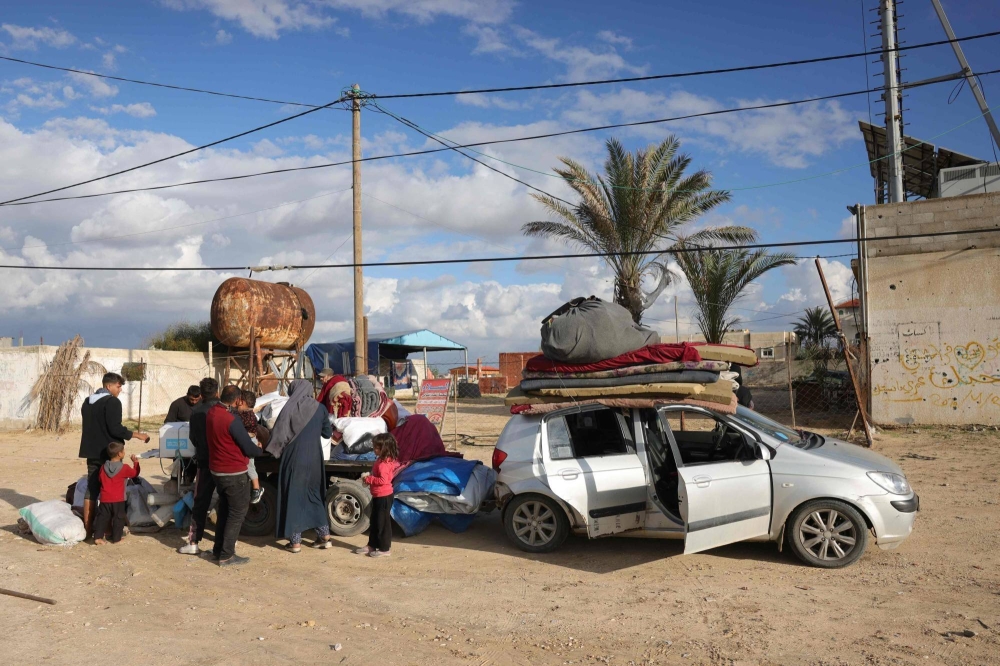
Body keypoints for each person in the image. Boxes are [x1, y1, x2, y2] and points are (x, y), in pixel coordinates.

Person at [79, 372, 150, 538]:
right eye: (118, 387)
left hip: (91, 451)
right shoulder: (112, 402)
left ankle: (88, 530)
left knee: (92, 489)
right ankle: (111, 530)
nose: (119, 390)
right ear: (108, 386)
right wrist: (138, 435)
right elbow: (115, 429)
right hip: (110, 453)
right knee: (112, 490)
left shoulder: (87, 402)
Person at [268, 379, 333, 554]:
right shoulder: (320, 408)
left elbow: (278, 435)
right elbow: (327, 433)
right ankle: (324, 536)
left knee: (293, 496)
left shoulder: (288, 408)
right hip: (314, 459)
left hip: (293, 458)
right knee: (314, 495)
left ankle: (295, 542)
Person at [206, 384, 263, 566]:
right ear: (238, 400)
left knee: (224, 511)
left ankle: (218, 550)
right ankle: (227, 555)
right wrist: (259, 449)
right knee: (237, 513)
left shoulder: (212, 412)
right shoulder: (231, 420)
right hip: (234, 472)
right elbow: (248, 448)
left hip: (217, 470)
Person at [178, 377, 219, 556]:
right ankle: (223, 545)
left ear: (201, 394)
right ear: (217, 392)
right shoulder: (225, 410)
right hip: (224, 463)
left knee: (200, 503)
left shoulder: (196, 412)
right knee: (225, 502)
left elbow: (193, 438)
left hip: (204, 462)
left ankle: (194, 542)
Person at [356, 433, 401, 558]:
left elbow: (383, 481)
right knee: (375, 521)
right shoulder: (381, 460)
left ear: (384, 449)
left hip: (384, 497)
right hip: (378, 496)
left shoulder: (383, 464)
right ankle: (372, 545)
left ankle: (384, 548)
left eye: (376, 447)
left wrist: (369, 479)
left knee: (383, 523)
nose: (374, 449)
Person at [93, 442, 140, 545]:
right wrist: (135, 463)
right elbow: (134, 474)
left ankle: (98, 537)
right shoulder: (124, 468)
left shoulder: (103, 467)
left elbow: (100, 479)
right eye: (123, 451)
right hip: (118, 499)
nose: (124, 452)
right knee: (118, 518)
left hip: (105, 498)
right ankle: (116, 539)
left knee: (102, 517)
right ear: (119, 454)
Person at [238, 390, 264, 505]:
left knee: (249, 465)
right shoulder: (251, 414)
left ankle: (256, 488)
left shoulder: (246, 415)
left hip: (249, 440)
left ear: (242, 402)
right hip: (251, 440)